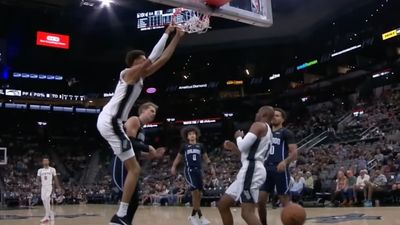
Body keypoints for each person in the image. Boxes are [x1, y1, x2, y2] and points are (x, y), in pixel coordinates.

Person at [97, 25, 184, 225]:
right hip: (110, 121)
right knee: (134, 170)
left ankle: (121, 217)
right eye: (142, 59)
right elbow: (154, 57)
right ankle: (121, 214)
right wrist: (166, 32)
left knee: (135, 170)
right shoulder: (127, 73)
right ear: (135, 63)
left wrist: (177, 37)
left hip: (112, 122)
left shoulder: (140, 78)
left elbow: (163, 59)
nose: (146, 61)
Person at [218, 106, 274, 225]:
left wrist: (238, 136)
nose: (256, 114)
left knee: (247, 212)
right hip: (250, 167)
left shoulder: (258, 125)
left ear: (264, 115)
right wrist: (234, 148)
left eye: (258, 112)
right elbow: (246, 155)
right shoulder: (268, 131)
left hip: (252, 170)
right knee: (223, 204)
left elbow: (243, 146)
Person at [112, 102, 165, 223]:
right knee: (127, 200)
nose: (154, 114)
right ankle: (116, 221)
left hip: (132, 165)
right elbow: (127, 142)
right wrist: (148, 147)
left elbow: (137, 154)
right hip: (121, 164)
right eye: (151, 111)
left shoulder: (143, 130)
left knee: (134, 201)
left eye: (155, 112)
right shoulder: (134, 120)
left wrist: (153, 155)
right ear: (143, 110)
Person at [258, 108, 297, 225]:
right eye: (273, 115)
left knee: (284, 201)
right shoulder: (265, 133)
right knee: (260, 201)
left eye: (277, 115)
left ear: (283, 119)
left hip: (279, 168)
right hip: (266, 169)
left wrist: (285, 162)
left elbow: (294, 153)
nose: (274, 117)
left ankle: (290, 222)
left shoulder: (286, 133)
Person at [171, 126, 215, 225]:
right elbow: (178, 158)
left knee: (198, 194)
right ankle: (198, 217)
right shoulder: (184, 146)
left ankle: (195, 216)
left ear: (196, 135)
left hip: (199, 171)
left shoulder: (201, 146)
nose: (192, 135)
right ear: (187, 137)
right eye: (189, 134)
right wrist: (173, 167)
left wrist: (211, 167)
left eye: (193, 134)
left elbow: (206, 158)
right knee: (195, 191)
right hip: (189, 170)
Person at [37, 156, 62, 224]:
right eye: (44, 161)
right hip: (43, 187)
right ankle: (51, 213)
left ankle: (46, 217)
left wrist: (58, 187)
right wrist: (38, 187)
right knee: (44, 200)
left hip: (49, 186)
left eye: (46, 161)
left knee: (47, 199)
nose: (45, 162)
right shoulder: (40, 170)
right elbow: (38, 179)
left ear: (48, 162)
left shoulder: (52, 169)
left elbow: (55, 178)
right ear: (42, 162)